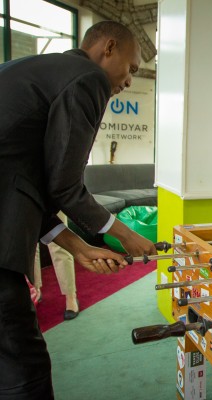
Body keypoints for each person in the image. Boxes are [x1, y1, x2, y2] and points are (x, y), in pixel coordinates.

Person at [0, 21, 158, 399]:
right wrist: (125, 234)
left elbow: (24, 182)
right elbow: (64, 185)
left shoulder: (36, 70)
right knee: (24, 368)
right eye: (132, 68)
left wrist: (79, 247)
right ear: (109, 47)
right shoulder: (87, 78)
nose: (128, 81)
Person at [33, 213, 80, 320]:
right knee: (30, 244)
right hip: (25, 199)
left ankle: (71, 296)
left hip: (51, 197)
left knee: (59, 242)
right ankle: (35, 290)